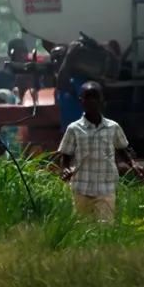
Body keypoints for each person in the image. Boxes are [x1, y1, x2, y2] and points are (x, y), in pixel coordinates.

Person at [57, 81, 138, 223]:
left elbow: (122, 149)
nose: (91, 101)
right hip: (81, 188)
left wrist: (133, 164)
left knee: (105, 229)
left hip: (105, 187)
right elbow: (65, 155)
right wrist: (66, 169)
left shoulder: (113, 127)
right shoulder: (74, 129)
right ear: (80, 101)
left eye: (95, 97)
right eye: (87, 97)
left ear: (102, 100)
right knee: (83, 229)